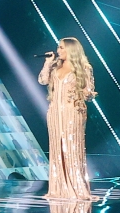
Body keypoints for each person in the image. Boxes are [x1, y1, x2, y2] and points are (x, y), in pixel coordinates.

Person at [40, 37, 96, 202]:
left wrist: (85, 93)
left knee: (72, 147)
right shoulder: (56, 66)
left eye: (62, 48)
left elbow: (89, 94)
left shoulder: (84, 68)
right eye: (59, 47)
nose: (58, 51)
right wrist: (48, 63)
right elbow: (43, 80)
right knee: (57, 147)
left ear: (71, 50)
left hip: (73, 112)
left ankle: (77, 188)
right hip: (55, 112)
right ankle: (58, 189)